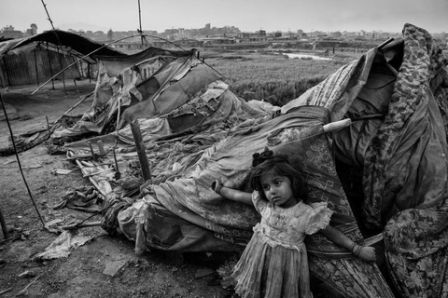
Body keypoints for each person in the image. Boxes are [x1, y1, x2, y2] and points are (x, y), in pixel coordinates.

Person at [211, 148, 375, 298]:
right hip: (258, 256)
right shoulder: (265, 204)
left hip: (285, 265)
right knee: (256, 282)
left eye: (277, 183)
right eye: (266, 187)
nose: (272, 191)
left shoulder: (307, 214)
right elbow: (238, 196)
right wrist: (221, 190)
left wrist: (357, 249)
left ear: (292, 181)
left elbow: (332, 233)